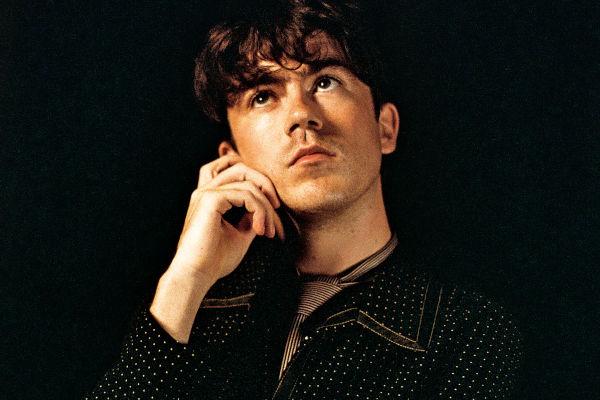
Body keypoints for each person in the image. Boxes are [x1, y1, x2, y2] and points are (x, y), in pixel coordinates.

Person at [86, 1, 521, 398]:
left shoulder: (466, 333)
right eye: (263, 96)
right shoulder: (191, 310)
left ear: (385, 128)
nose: (301, 115)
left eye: (325, 82)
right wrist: (184, 282)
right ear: (232, 160)